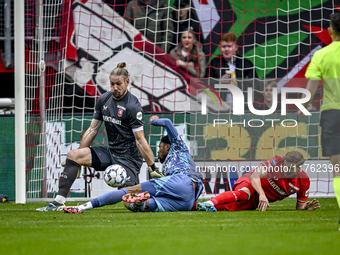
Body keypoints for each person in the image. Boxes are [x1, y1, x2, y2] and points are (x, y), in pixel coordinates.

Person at [37, 62, 156, 211]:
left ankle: (150, 201)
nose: (115, 88)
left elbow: (140, 140)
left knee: (129, 203)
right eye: (112, 84)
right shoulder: (104, 100)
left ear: (127, 82)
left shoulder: (133, 106)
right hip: (111, 152)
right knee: (73, 155)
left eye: (118, 84)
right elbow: (92, 129)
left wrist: (152, 166)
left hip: (129, 159)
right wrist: (79, 159)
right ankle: (57, 202)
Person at [62, 116, 204, 213]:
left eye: (160, 147)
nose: (158, 151)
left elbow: (167, 122)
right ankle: (140, 203)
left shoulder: (178, 147)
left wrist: (154, 121)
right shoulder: (172, 165)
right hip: (187, 201)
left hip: (182, 181)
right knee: (137, 206)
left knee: (129, 190)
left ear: (168, 147)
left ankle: (83, 207)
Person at [298, 13, 340, 229]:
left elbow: (310, 92)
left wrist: (302, 107)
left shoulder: (323, 55)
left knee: (338, 168)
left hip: (333, 114)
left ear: (331, 31)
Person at [197, 151, 320, 212]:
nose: (286, 170)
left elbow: (299, 207)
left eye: (290, 169)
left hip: (257, 201)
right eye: (285, 167)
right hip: (251, 183)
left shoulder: (303, 181)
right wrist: (262, 194)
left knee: (226, 208)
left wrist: (305, 208)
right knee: (244, 193)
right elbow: (255, 175)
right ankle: (210, 202)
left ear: (299, 168)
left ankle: (194, 207)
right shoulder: (277, 161)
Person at [207, 33, 259, 106]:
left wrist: (244, 104)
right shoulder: (214, 63)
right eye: (224, 47)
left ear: (236, 47)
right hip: (221, 104)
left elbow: (255, 87)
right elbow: (206, 84)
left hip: (243, 103)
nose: (226, 49)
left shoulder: (246, 64)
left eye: (229, 46)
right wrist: (219, 82)